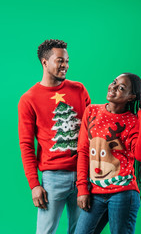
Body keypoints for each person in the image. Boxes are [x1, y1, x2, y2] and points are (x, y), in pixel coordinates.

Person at [18, 39, 91, 234]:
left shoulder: (79, 89)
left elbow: (92, 130)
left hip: (85, 175)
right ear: (44, 62)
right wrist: (34, 184)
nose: (65, 65)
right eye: (60, 61)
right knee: (45, 231)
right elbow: (26, 145)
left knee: (82, 231)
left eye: (67, 61)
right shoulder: (29, 99)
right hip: (53, 178)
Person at [75, 73, 141, 234]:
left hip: (123, 193)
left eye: (121, 88)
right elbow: (83, 151)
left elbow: (140, 155)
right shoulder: (91, 111)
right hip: (95, 192)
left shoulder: (132, 121)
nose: (113, 87)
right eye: (114, 82)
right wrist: (82, 189)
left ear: (131, 97)